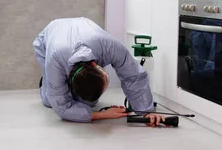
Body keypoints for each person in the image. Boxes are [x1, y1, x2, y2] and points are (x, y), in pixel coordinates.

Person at [33, 17, 165, 126]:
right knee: (50, 101)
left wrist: (145, 111)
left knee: (87, 102)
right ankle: (46, 83)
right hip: (48, 39)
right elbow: (62, 107)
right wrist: (102, 115)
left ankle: (60, 84)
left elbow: (133, 76)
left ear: (96, 65)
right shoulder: (55, 59)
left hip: (87, 38)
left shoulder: (110, 47)